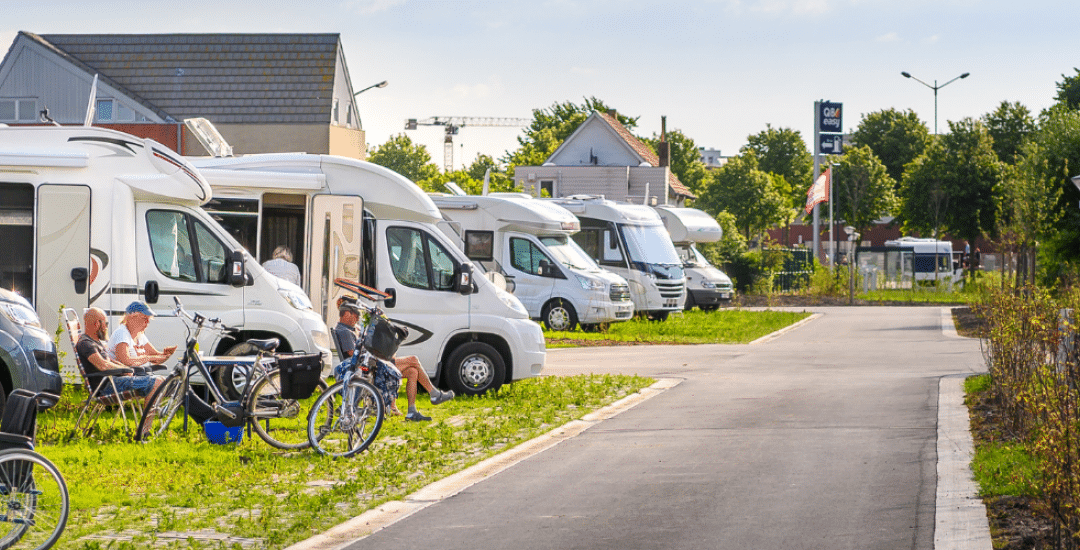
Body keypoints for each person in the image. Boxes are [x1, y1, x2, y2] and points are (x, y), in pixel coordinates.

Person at [333, 296, 454, 422]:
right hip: (368, 368)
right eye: (356, 314)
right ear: (347, 314)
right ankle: (434, 394)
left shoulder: (352, 329)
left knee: (413, 371)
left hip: (373, 365)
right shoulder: (345, 331)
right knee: (413, 359)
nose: (358, 317)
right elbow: (353, 354)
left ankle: (412, 411)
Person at [107, 301, 177, 368]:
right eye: (145, 318)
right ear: (132, 317)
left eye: (149, 319)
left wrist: (166, 354)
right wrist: (148, 358)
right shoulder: (122, 333)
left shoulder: (140, 335)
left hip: (138, 375)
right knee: (159, 380)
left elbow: (155, 358)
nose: (147, 322)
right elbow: (125, 361)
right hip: (121, 378)